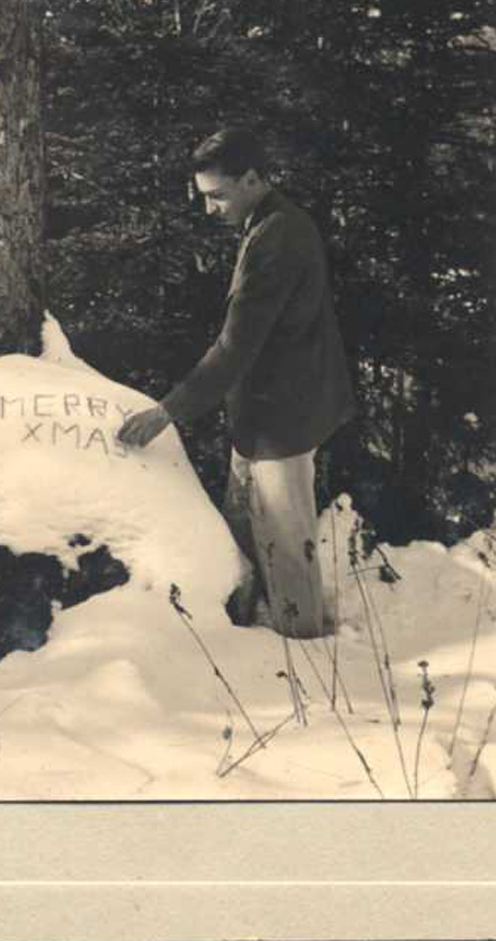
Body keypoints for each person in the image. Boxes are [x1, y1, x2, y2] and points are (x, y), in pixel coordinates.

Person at [117, 127, 355, 637]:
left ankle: (304, 648)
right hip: (262, 415)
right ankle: (243, 633)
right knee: (242, 529)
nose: (210, 209)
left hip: (284, 421)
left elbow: (236, 346)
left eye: (217, 195)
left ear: (252, 179)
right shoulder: (270, 222)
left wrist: (167, 411)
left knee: (286, 546)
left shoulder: (277, 238)